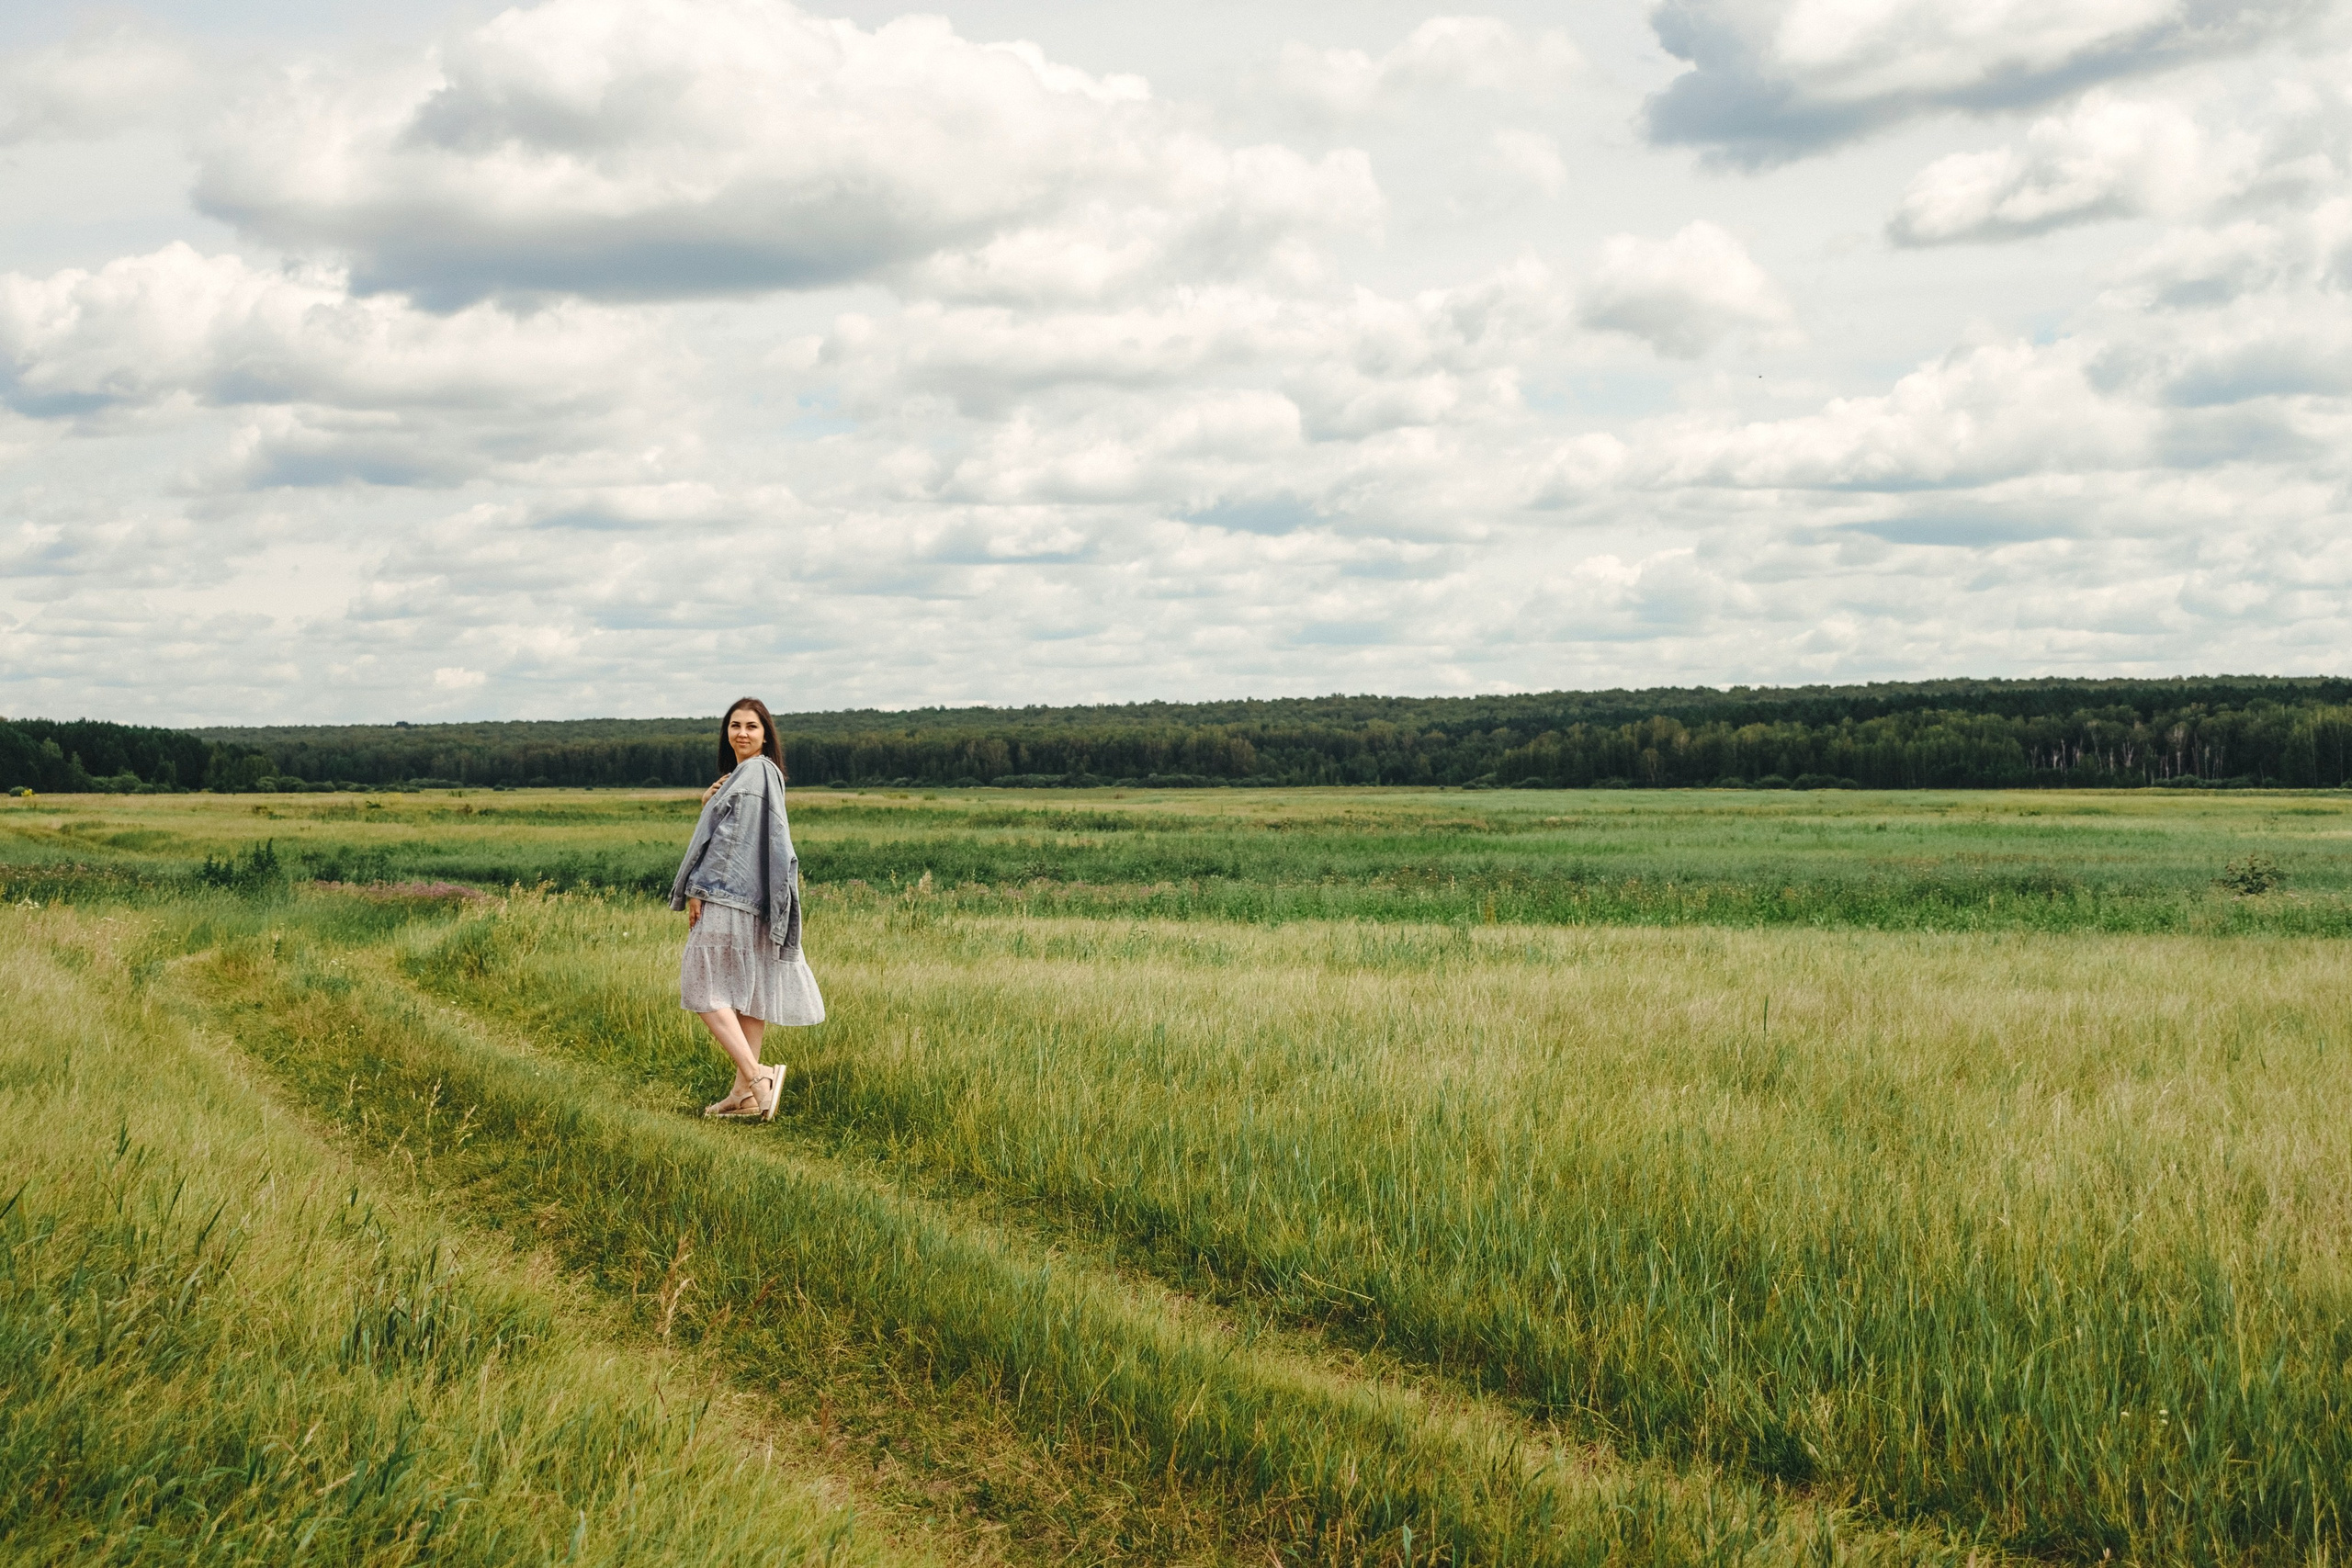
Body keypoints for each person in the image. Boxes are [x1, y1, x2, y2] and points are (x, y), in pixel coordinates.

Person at [669, 697, 824, 1120]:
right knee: (747, 991)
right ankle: (745, 1097)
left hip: (728, 894)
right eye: (735, 725)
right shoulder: (756, 774)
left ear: (766, 735)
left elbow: (730, 842)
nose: (742, 733)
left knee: (701, 986)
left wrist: (698, 888)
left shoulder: (754, 772)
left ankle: (759, 1077)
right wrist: (709, 802)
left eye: (752, 726)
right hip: (757, 899)